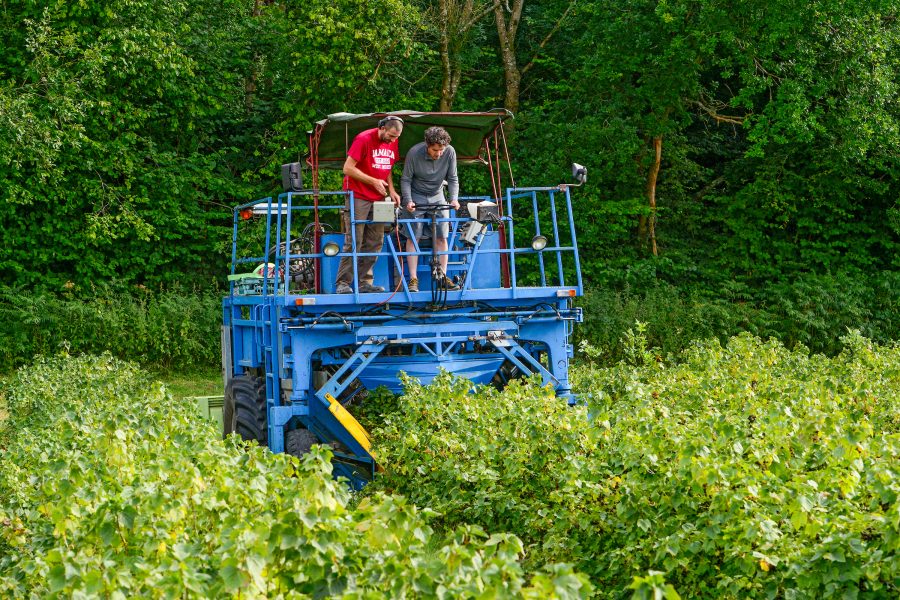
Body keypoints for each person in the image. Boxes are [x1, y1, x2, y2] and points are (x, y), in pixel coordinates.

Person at [334, 115, 403, 294]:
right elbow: (347, 168)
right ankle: (343, 283)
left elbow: (387, 168)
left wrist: (393, 191)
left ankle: (364, 282)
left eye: (396, 137)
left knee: (376, 240)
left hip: (381, 197)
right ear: (382, 127)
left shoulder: (393, 142)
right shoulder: (363, 139)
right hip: (357, 195)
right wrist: (373, 181)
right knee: (355, 239)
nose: (393, 140)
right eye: (390, 136)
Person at [400, 126, 460, 292]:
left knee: (442, 236)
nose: (439, 154)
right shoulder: (414, 153)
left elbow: (453, 178)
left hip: (438, 195)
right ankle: (413, 279)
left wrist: (454, 199)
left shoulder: (450, 152)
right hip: (416, 195)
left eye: (442, 150)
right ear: (427, 144)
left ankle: (442, 277)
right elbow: (405, 179)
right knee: (414, 236)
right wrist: (409, 201)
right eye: (435, 150)